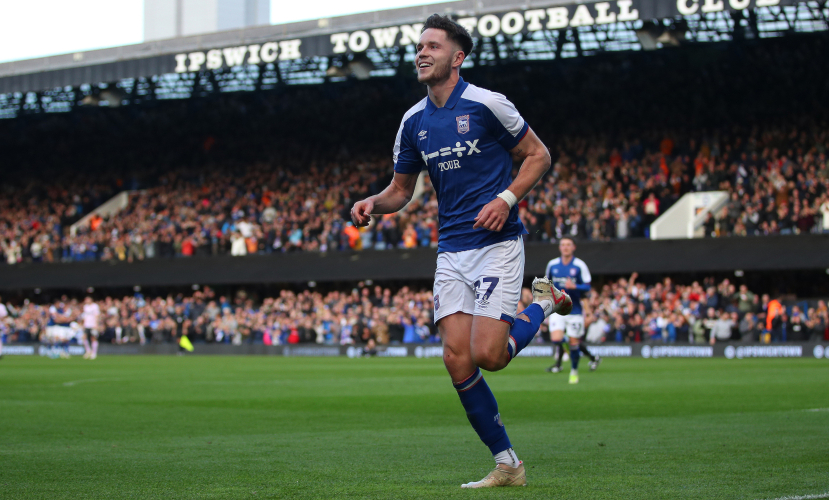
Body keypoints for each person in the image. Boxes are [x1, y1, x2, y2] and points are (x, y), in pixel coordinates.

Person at [350, 14, 571, 489]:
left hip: (496, 244)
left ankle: (545, 302)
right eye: (419, 47)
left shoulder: (488, 104)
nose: (422, 53)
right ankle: (508, 465)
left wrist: (505, 199)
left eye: (433, 46)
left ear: (458, 57)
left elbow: (539, 155)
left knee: (489, 355)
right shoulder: (413, 121)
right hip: (451, 250)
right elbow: (401, 190)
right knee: (457, 359)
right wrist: (373, 202)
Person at [544, 237, 601, 383]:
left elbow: (587, 286)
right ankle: (568, 351)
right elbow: (547, 284)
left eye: (568, 245)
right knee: (556, 338)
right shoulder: (552, 264)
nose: (565, 247)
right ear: (559, 247)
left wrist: (575, 286)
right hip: (558, 308)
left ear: (573, 247)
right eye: (563, 244)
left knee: (574, 343)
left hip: (574, 310)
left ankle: (574, 371)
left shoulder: (580, 265)